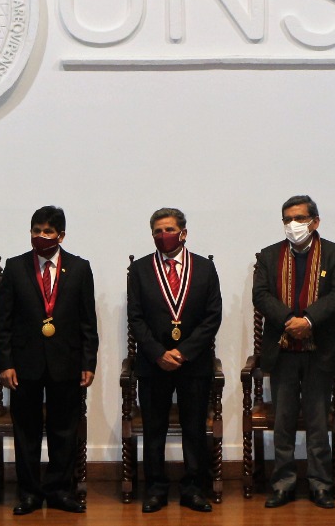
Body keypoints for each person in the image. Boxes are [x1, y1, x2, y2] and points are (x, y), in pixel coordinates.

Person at [0, 206, 98, 515]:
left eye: (47, 231)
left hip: (66, 362)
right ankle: (28, 493)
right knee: (25, 430)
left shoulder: (79, 269)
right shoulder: (15, 268)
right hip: (23, 365)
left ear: (61, 235)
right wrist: (5, 362)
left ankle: (58, 490)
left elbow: (87, 322)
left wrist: (88, 362)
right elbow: (4, 323)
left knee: (64, 430)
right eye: (35, 230)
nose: (40, 236)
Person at [253, 195, 335, 509]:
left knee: (318, 421)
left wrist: (308, 319)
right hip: (281, 349)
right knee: (282, 422)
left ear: (315, 221)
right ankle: (283, 484)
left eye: (299, 218)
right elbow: (261, 295)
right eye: (287, 219)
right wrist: (289, 321)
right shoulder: (268, 256)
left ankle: (321, 484)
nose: (293, 225)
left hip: (319, 348)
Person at [127, 208, 223, 513]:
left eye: (168, 229)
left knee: (194, 427)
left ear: (183, 233)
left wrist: (184, 352)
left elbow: (212, 317)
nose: (162, 235)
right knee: (154, 429)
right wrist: (158, 353)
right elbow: (136, 318)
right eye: (157, 231)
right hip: (153, 364)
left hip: (193, 363)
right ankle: (155, 488)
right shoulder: (140, 270)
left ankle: (193, 488)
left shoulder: (205, 269)